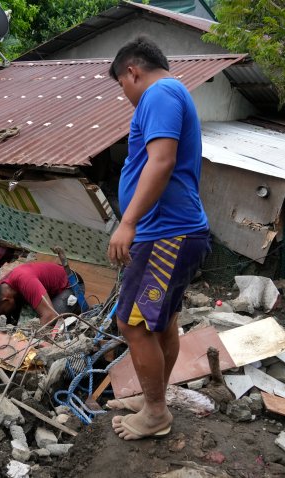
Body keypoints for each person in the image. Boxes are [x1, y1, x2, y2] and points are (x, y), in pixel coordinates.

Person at [105, 37, 211, 440]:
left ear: (132, 71)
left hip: (163, 232)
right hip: (175, 231)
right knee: (161, 322)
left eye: (122, 85)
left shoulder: (159, 92)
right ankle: (155, 399)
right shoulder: (173, 92)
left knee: (132, 324)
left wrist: (128, 222)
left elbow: (161, 160)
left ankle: (155, 413)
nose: (126, 95)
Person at [0, 262, 78, 325]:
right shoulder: (0, 288)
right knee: (20, 320)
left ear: (6, 300)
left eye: (0, 313)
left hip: (71, 286)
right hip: (45, 289)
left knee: (50, 321)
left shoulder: (25, 281)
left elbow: (50, 315)